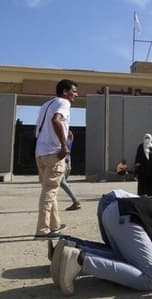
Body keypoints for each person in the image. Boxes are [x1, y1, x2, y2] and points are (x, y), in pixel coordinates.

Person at [33, 79, 77, 239]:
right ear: (65, 92)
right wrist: (64, 145)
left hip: (40, 153)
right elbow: (56, 120)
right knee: (49, 191)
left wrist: (66, 130)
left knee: (50, 190)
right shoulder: (63, 102)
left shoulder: (46, 105)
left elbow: (37, 129)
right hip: (54, 153)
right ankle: (42, 230)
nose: (76, 94)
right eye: (73, 91)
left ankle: (54, 225)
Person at [61, 130, 81, 211]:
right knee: (63, 182)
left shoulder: (63, 139)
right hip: (68, 163)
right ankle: (75, 201)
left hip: (64, 162)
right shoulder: (70, 137)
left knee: (62, 182)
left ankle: (76, 201)